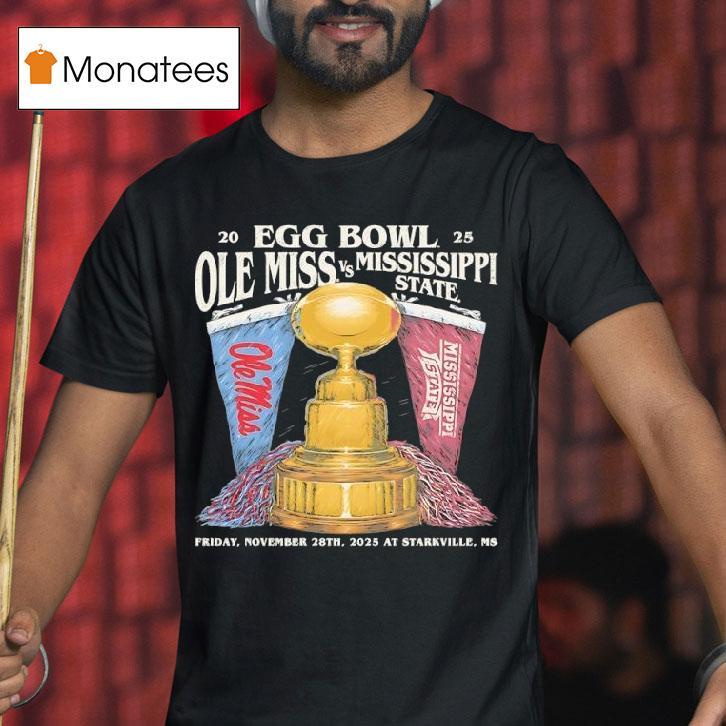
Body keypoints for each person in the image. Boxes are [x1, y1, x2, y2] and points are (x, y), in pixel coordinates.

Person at [1, 0, 724, 723]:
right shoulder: (166, 208)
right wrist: (15, 622)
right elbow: (70, 474)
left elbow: (664, 413)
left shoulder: (523, 186)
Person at [539, 523, 698, 725]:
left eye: (567, 607)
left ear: (630, 619)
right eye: (543, 609)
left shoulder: (703, 698)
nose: (550, 627)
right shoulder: (544, 703)